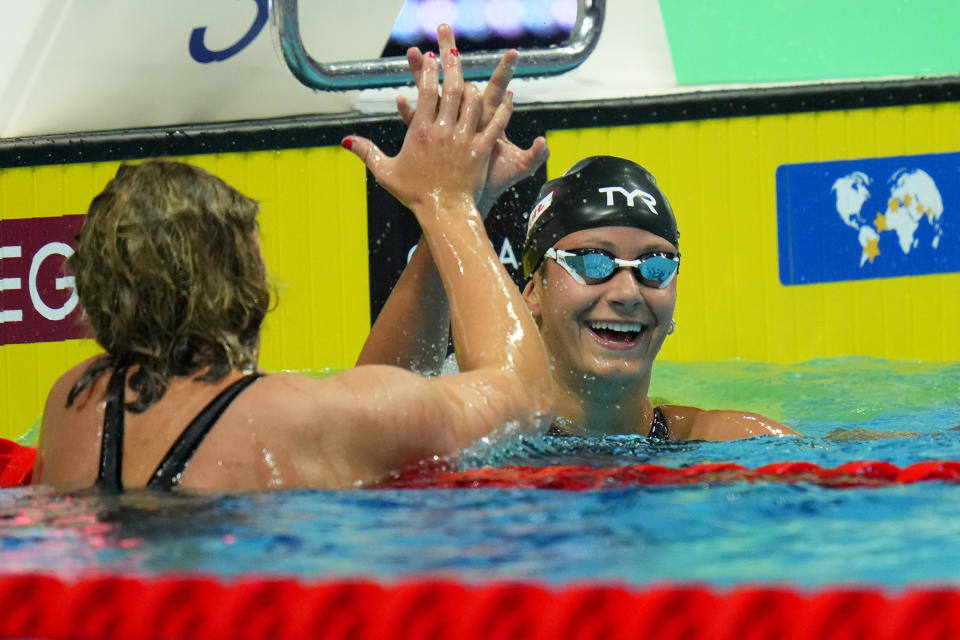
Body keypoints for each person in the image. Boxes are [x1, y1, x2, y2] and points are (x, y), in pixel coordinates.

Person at [35, 33, 553, 492]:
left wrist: (453, 213)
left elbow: (378, 412)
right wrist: (448, 203)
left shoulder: (75, 405)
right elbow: (524, 397)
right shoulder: (291, 416)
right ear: (248, 270)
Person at [357, 32, 799, 440]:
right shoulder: (479, 434)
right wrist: (450, 206)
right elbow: (371, 423)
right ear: (533, 293)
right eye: (592, 261)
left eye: (655, 267)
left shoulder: (724, 441)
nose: (628, 291)